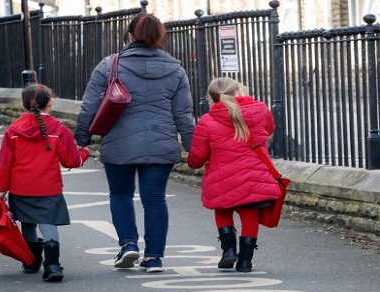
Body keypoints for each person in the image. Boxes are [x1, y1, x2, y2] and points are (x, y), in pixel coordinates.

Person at [74, 13, 195, 273]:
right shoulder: (176, 69)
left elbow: (89, 107)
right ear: (159, 37)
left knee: (120, 194)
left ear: (130, 35)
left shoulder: (110, 65)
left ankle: (128, 244)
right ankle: (154, 258)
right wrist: (192, 147)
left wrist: (81, 140)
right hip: (161, 145)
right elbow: (183, 114)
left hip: (119, 144)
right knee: (154, 200)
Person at [0, 84, 90, 282]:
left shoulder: (13, 130)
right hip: (49, 187)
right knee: (48, 223)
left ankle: (31, 261)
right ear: (51, 103)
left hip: (21, 187)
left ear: (23, 104)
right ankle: (53, 265)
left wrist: (1, 190)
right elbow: (71, 161)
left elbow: (4, 162)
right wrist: (85, 152)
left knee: (28, 223)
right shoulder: (58, 129)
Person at [186, 77, 280, 273]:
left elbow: (198, 156)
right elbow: (269, 129)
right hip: (253, 176)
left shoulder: (208, 121)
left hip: (221, 177)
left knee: (222, 209)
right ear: (239, 91)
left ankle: (228, 250)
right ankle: (245, 261)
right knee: (249, 215)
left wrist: (192, 162)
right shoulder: (260, 111)